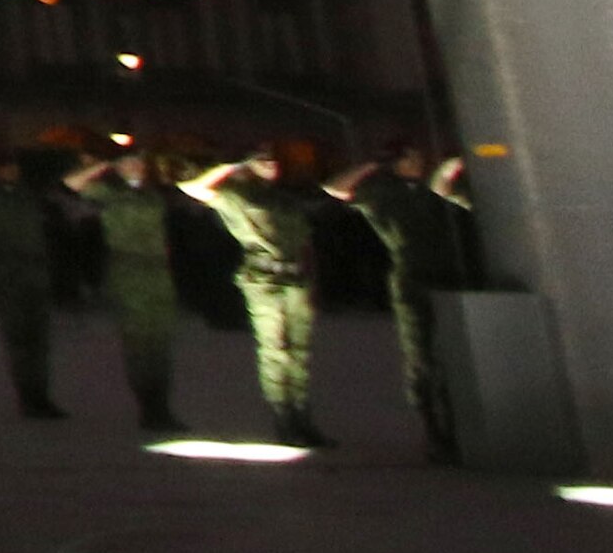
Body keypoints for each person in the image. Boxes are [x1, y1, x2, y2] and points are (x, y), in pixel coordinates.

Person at [186, 145, 335, 448]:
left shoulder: (285, 198)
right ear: (249, 165)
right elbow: (193, 188)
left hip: (297, 279)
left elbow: (305, 242)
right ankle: (284, 418)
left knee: (299, 353)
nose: (271, 165)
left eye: (273, 160)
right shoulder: (238, 195)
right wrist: (231, 165)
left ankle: (302, 417)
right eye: (262, 160)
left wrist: (313, 281)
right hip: (265, 279)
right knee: (276, 351)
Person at [331, 145, 473, 459]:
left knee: (452, 356)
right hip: (413, 277)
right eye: (409, 157)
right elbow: (336, 188)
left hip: (449, 276)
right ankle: (433, 429)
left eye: (417, 157)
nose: (416, 162)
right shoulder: (383, 191)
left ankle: (456, 429)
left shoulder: (428, 190)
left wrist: (451, 166)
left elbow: (450, 192)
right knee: (421, 356)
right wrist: (372, 163)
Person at [69, 145, 190, 434]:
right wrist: (102, 165)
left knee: (160, 345)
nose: (136, 167)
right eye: (129, 163)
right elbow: (71, 185)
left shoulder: (153, 194)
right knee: (139, 346)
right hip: (128, 273)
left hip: (158, 273)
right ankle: (149, 407)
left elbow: (190, 187)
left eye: (139, 162)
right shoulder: (108, 193)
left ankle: (162, 406)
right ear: (118, 167)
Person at [0, 148, 64, 419]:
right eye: (6, 167)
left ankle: (41, 395)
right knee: (19, 338)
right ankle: (28, 397)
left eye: (14, 166)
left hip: (35, 270)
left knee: (39, 339)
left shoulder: (27, 195)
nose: (12, 171)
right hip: (8, 271)